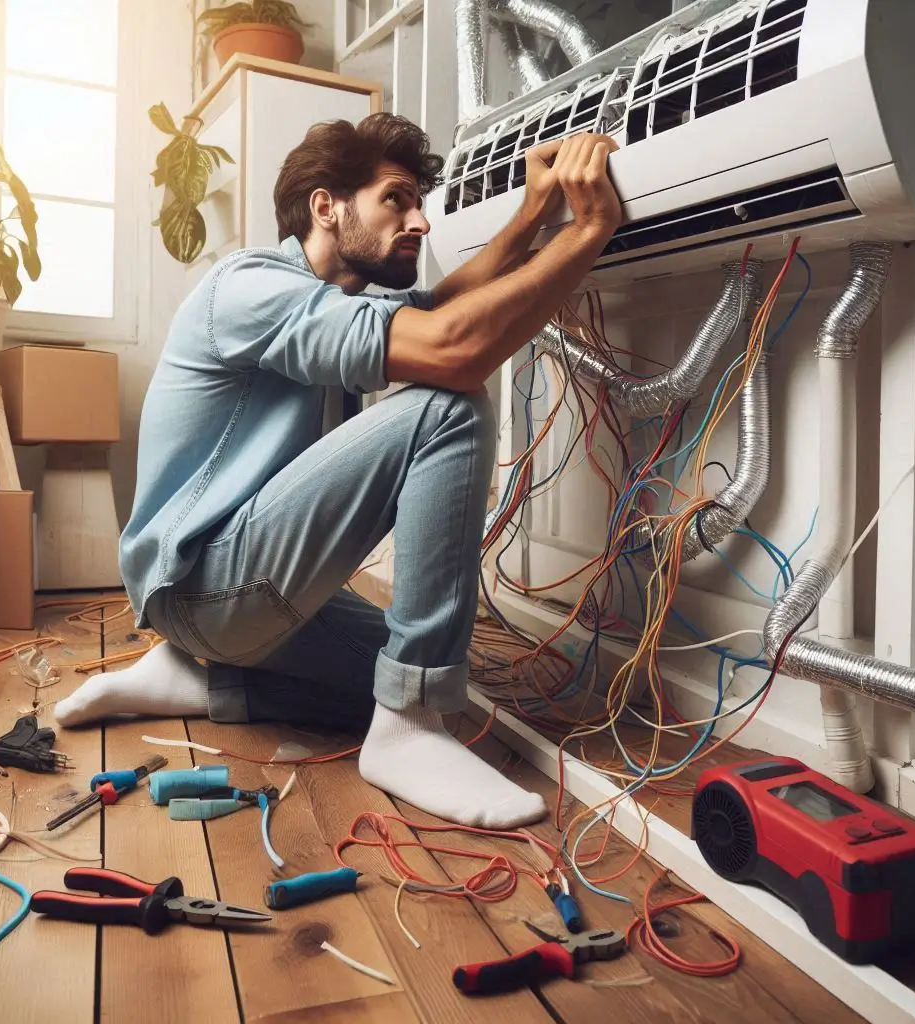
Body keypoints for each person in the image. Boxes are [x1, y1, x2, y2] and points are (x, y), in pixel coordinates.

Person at [55, 113, 622, 829]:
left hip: (215, 606)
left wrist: (534, 214)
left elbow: (440, 309)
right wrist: (587, 230)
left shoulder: (338, 301)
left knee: (397, 677)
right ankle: (410, 728)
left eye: (419, 203)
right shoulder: (248, 288)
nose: (419, 220)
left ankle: (201, 676)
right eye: (397, 199)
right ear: (327, 206)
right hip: (206, 585)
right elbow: (453, 350)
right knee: (449, 407)